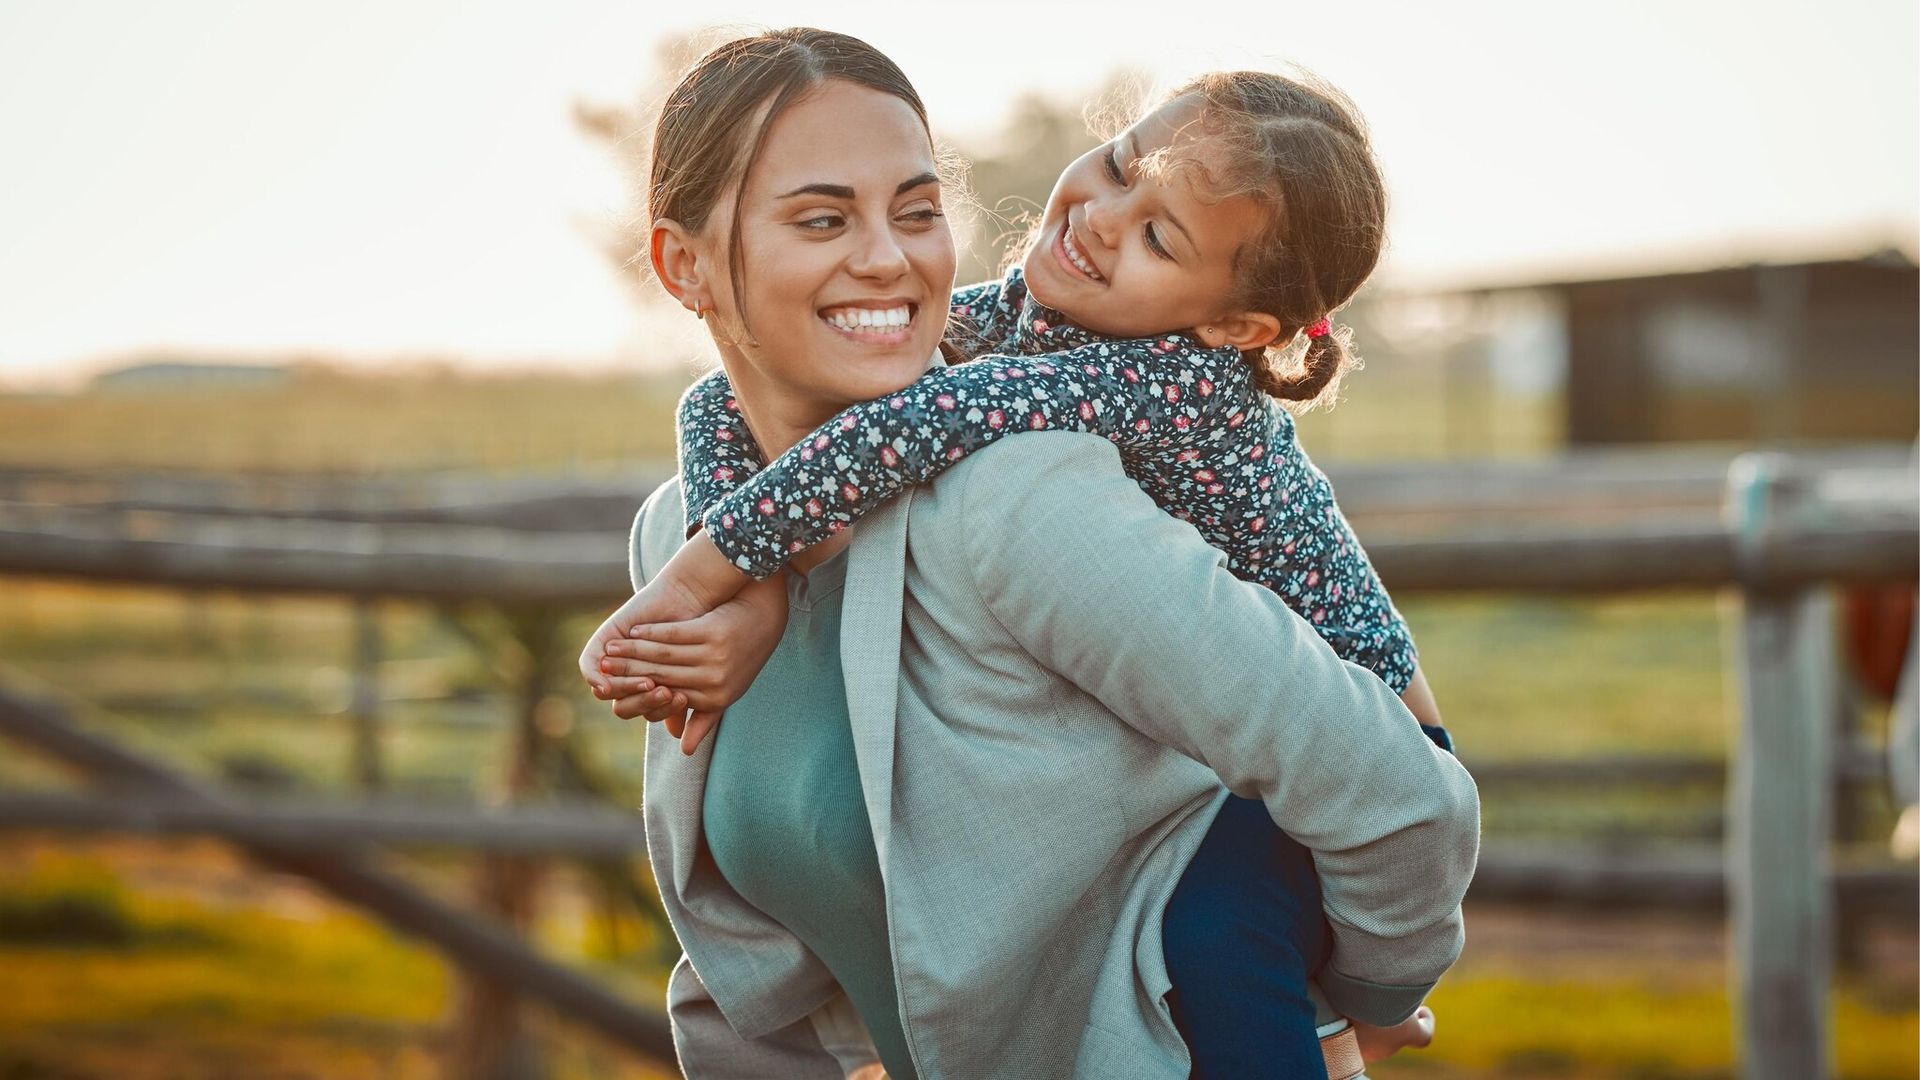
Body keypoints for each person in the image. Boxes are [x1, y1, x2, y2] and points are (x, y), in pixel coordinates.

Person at [594, 27, 1477, 1079]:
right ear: (682, 264)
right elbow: (789, 953)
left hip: (1362, 737)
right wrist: (742, 569)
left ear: (1235, 323)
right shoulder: (674, 525)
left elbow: (1391, 790)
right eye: (825, 217)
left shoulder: (1077, 440)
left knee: (1220, 936)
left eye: (918, 212)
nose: (886, 256)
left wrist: (1370, 996)